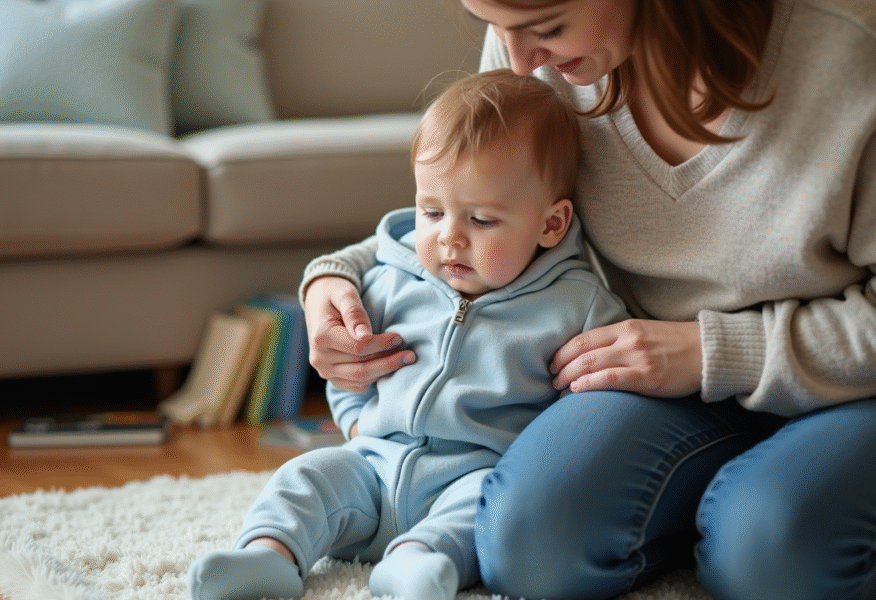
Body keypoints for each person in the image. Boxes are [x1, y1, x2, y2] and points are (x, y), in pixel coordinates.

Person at [299, 1, 876, 600]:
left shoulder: (848, 47)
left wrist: (714, 352)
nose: (519, 61)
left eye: (546, 27)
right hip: (659, 380)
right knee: (528, 546)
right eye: (492, 25)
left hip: (852, 386)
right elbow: (466, 222)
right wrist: (331, 279)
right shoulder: (539, 62)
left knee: (772, 553)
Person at [187, 69, 628, 600]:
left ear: (551, 225)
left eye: (482, 220)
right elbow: (350, 370)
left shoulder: (577, 307)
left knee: (480, 514)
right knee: (303, 478)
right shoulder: (388, 281)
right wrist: (353, 427)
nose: (450, 238)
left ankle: (414, 564)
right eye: (432, 211)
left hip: (478, 473)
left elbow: (593, 415)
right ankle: (267, 557)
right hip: (372, 464)